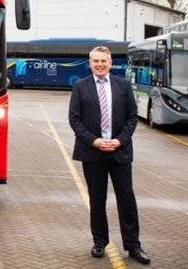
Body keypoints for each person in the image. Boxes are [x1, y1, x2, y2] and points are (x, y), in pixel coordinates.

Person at [68, 46, 151, 265]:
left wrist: (120, 140)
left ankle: (133, 246)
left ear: (111, 62)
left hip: (119, 152)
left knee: (127, 199)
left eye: (103, 61)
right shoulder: (80, 87)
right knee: (97, 200)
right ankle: (99, 241)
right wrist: (94, 140)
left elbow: (133, 117)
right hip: (92, 153)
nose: (100, 64)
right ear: (90, 62)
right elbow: (74, 120)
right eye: (95, 61)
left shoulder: (123, 86)